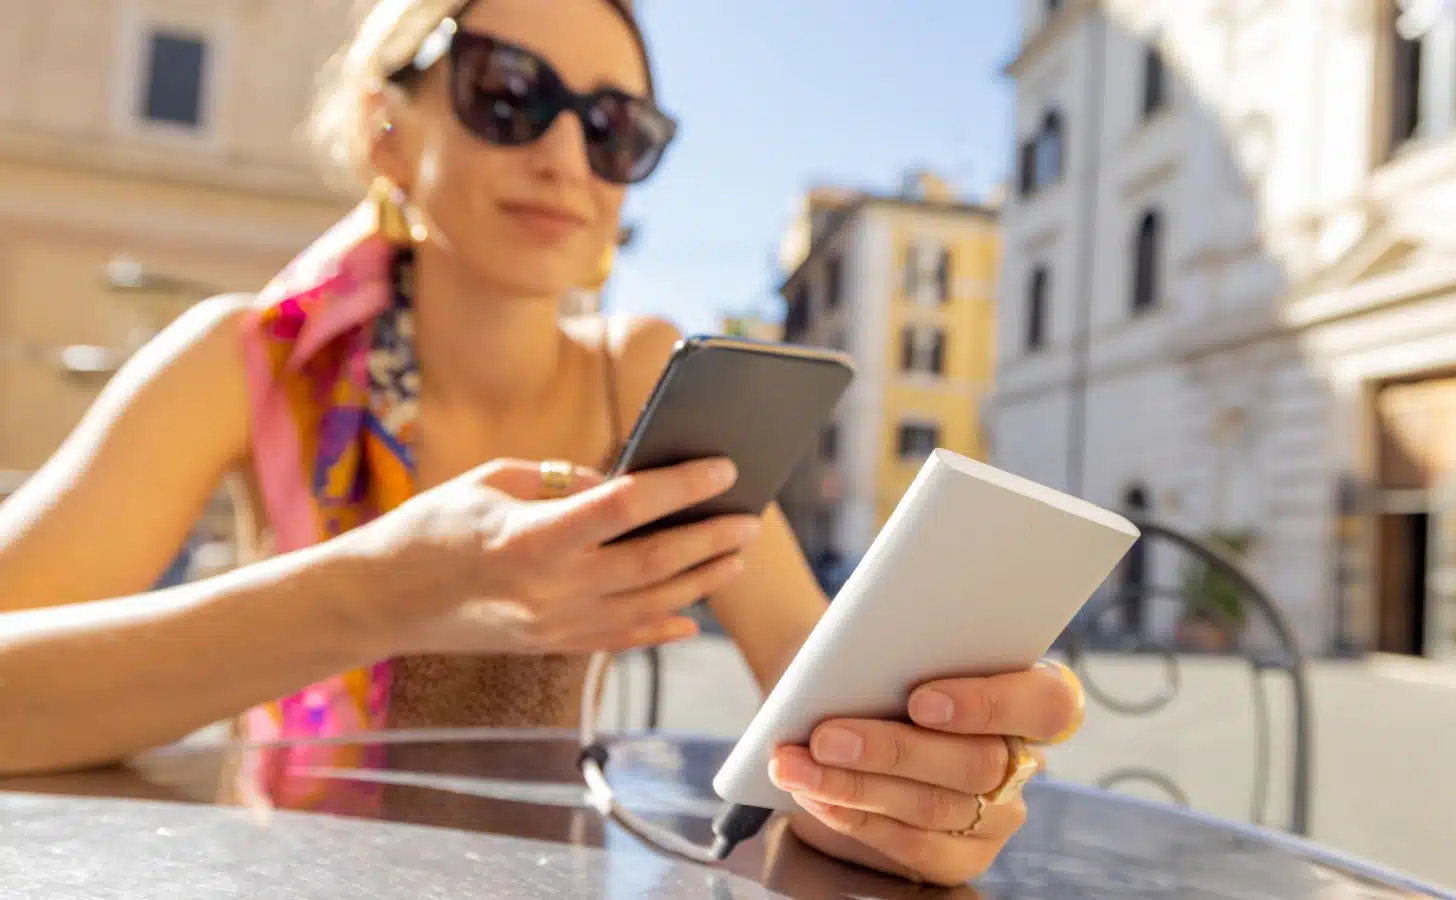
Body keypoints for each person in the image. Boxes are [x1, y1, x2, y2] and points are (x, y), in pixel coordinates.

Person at [0, 0, 1086, 886]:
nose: (568, 152)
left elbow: (808, 710)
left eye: (616, 129)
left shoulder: (640, 372)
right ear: (390, 128)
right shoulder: (247, 361)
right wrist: (391, 587)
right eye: (509, 92)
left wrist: (896, 790)